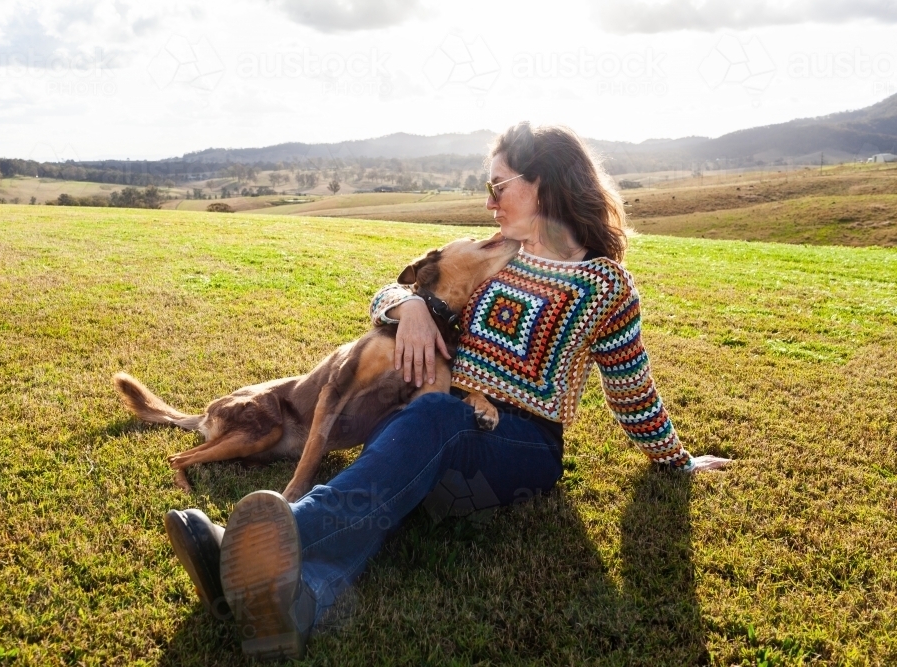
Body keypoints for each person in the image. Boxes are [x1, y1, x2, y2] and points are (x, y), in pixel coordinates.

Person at [162, 122, 731, 661]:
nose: (490, 202)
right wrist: (409, 306)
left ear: (545, 185)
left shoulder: (605, 283)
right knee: (400, 461)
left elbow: (632, 389)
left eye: (498, 185)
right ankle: (298, 600)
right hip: (430, 427)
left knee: (432, 418)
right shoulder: (493, 255)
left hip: (518, 445)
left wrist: (676, 461)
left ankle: (257, 541)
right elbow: (398, 282)